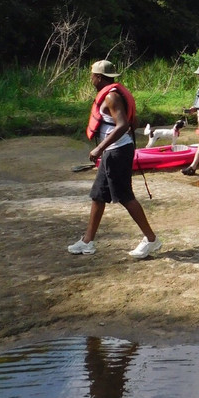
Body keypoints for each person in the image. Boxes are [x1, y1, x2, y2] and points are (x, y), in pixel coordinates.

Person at [68, 60, 162, 258]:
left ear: (99, 77)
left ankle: (151, 239)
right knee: (98, 196)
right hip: (114, 151)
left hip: (117, 152)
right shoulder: (117, 94)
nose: (91, 78)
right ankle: (87, 242)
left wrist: (99, 149)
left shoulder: (111, 97)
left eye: (92, 75)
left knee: (126, 197)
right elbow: (133, 121)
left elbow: (122, 125)